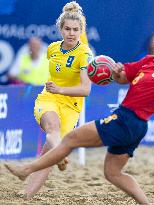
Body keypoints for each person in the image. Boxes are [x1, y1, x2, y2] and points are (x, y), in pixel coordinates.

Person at [5, 17, 154, 204]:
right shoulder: (148, 61)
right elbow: (121, 79)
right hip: (133, 126)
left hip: (127, 120)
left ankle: (26, 170)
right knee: (112, 173)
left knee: (70, 139)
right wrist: (117, 71)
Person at [14, 1, 92, 200]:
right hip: (48, 98)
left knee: (46, 158)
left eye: (76, 30)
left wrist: (62, 89)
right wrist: (56, 90)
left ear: (81, 31)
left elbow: (86, 89)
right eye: (67, 29)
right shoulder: (52, 49)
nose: (71, 33)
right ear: (60, 29)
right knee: (52, 130)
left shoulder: (84, 53)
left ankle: (27, 197)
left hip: (71, 106)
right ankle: (62, 154)